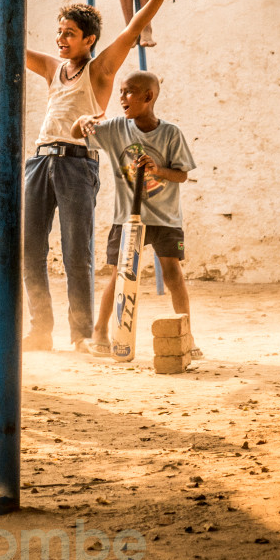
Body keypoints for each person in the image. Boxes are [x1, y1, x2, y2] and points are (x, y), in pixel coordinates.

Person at [0, 0, 190, 352]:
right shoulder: (54, 68)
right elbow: (4, 42)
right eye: (59, 32)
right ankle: (41, 329)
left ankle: (81, 333)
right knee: (30, 249)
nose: (61, 39)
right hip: (40, 161)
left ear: (90, 39)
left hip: (77, 162)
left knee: (75, 251)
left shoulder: (100, 70)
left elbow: (132, 30)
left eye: (69, 33)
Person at [71, 71, 200, 357]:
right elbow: (77, 134)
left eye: (128, 92)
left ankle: (187, 336)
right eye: (121, 91)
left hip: (166, 219)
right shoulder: (116, 128)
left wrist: (157, 170)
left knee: (173, 274)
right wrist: (82, 122)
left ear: (148, 97)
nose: (121, 98)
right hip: (127, 220)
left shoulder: (170, 133)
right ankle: (100, 334)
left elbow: (181, 176)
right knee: (120, 275)